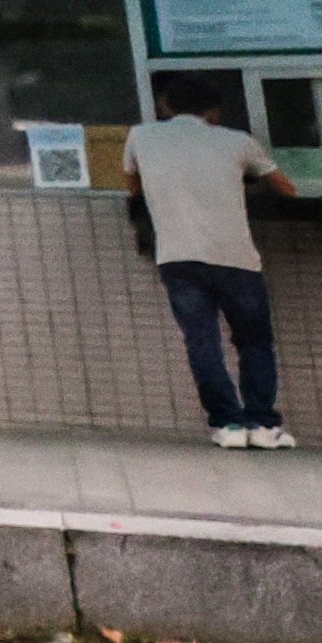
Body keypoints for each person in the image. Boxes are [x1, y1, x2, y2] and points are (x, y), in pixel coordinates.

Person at [121, 71, 298, 448]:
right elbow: (286, 188)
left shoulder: (141, 136)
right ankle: (263, 425)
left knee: (202, 342)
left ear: (166, 107)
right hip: (235, 257)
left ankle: (228, 425)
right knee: (253, 341)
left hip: (177, 257)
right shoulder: (238, 141)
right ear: (214, 112)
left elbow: (132, 186)